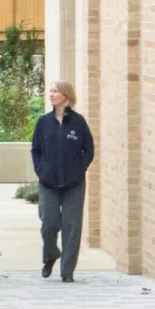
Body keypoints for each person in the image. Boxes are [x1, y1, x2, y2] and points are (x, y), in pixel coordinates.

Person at [30, 80, 95, 282]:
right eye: (50, 91)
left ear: (66, 96)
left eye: (55, 91)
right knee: (48, 222)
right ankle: (50, 255)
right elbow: (36, 150)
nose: (51, 94)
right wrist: (41, 170)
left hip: (74, 183)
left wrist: (79, 169)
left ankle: (67, 272)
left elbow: (89, 150)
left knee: (72, 225)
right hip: (48, 182)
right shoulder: (43, 122)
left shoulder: (79, 122)